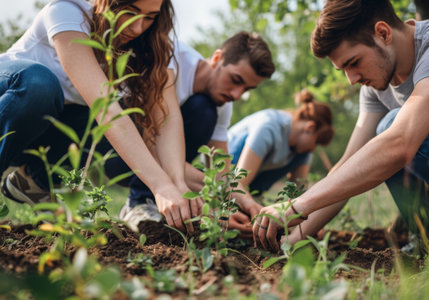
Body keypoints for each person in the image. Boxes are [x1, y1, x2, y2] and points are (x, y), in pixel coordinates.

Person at [254, 0, 429, 251]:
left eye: (353, 62)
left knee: (391, 127)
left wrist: (296, 206)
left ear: (383, 33)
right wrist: (290, 241)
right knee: (379, 140)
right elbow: (348, 166)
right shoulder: (376, 85)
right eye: (344, 69)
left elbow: (399, 143)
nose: (352, 79)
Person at [0, 0, 198, 233]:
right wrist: (160, 185)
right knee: (40, 84)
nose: (137, 28)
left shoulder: (150, 46)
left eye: (150, 17)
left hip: (44, 132)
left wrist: (177, 183)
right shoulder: (68, 11)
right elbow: (107, 109)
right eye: (129, 13)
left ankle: (34, 181)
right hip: (11, 100)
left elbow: (166, 119)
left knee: (122, 123)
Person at [106, 32, 276, 234]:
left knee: (204, 108)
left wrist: (246, 204)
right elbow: (149, 148)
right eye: (235, 79)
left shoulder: (222, 103)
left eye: (247, 88)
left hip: (159, 162)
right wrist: (205, 199)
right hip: (113, 147)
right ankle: (140, 202)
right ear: (217, 58)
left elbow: (220, 172)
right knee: (202, 109)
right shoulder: (170, 60)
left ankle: (154, 201)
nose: (236, 94)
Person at [228, 89, 334, 195]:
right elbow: (237, 186)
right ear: (310, 127)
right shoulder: (268, 127)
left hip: (246, 189)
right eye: (316, 142)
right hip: (226, 175)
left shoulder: (302, 152)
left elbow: (297, 194)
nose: (312, 149)